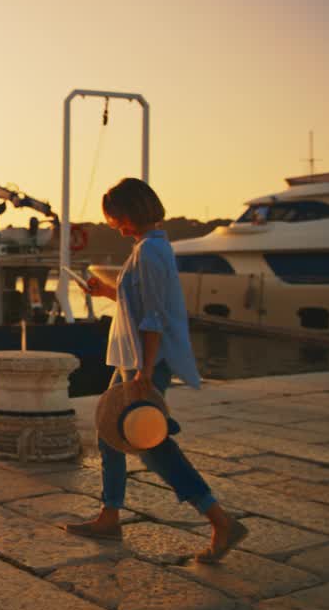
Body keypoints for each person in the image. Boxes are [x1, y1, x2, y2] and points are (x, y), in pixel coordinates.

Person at [65, 177, 247, 563]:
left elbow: (153, 318)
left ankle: (219, 519)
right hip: (137, 359)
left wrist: (144, 371)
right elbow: (139, 302)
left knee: (153, 446)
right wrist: (106, 292)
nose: (113, 225)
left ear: (128, 215)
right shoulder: (151, 249)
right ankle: (110, 514)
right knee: (111, 433)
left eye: (114, 218)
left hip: (145, 362)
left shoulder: (149, 253)